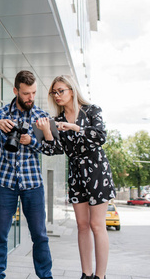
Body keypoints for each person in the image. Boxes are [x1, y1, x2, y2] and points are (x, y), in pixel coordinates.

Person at [0, 70, 60, 279]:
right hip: (5, 182)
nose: (30, 98)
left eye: (33, 93)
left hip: (33, 184)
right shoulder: (0, 113)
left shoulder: (41, 117)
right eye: (26, 93)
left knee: (40, 236)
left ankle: (46, 276)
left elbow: (50, 149)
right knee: (0, 234)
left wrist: (32, 141)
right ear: (16, 90)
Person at [37, 75, 115, 279]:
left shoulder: (92, 110)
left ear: (72, 90)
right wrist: (47, 132)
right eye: (54, 92)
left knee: (97, 225)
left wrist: (74, 127)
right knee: (82, 225)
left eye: (60, 91)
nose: (57, 96)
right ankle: (86, 274)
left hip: (97, 169)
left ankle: (101, 275)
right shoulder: (57, 120)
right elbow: (54, 150)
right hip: (76, 173)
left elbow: (100, 136)